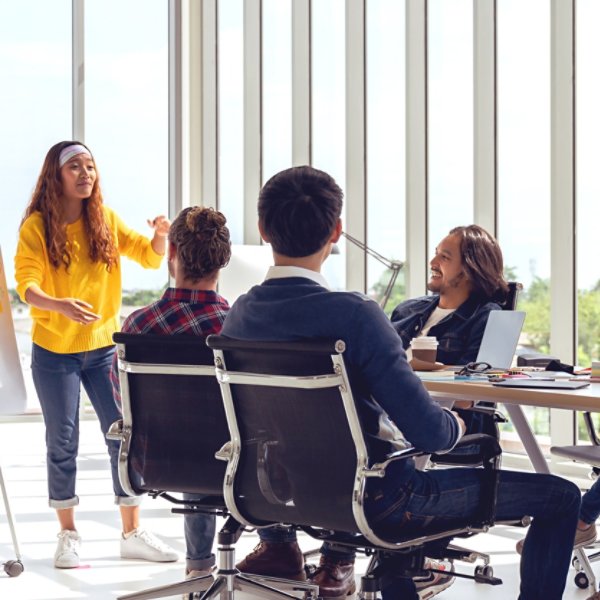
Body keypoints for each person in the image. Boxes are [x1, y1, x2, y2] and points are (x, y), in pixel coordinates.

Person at [220, 165, 581, 600]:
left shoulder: (239, 314)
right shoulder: (355, 315)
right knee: (562, 496)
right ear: (336, 231)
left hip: (283, 494)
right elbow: (431, 433)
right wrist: (460, 425)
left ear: (262, 228)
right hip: (380, 500)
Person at [14, 141, 178, 569]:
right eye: (75, 166)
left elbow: (147, 255)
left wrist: (160, 236)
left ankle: (131, 531)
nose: (86, 173)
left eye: (90, 166)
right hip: (54, 352)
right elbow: (25, 285)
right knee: (63, 441)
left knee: (122, 434)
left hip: (104, 349)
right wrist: (59, 304)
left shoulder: (104, 219)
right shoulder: (35, 227)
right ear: (56, 175)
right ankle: (67, 533)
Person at [110, 205, 231, 588]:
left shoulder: (137, 326)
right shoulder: (235, 328)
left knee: (188, 439)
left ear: (172, 253)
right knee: (218, 440)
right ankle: (277, 551)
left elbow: (123, 401)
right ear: (222, 262)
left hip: (157, 461)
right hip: (228, 465)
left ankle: (198, 567)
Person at [391, 224, 508, 367]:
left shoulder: (488, 319)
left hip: (423, 389)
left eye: (444, 257)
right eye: (436, 254)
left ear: (470, 270)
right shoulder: (406, 310)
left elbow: (474, 381)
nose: (432, 262)